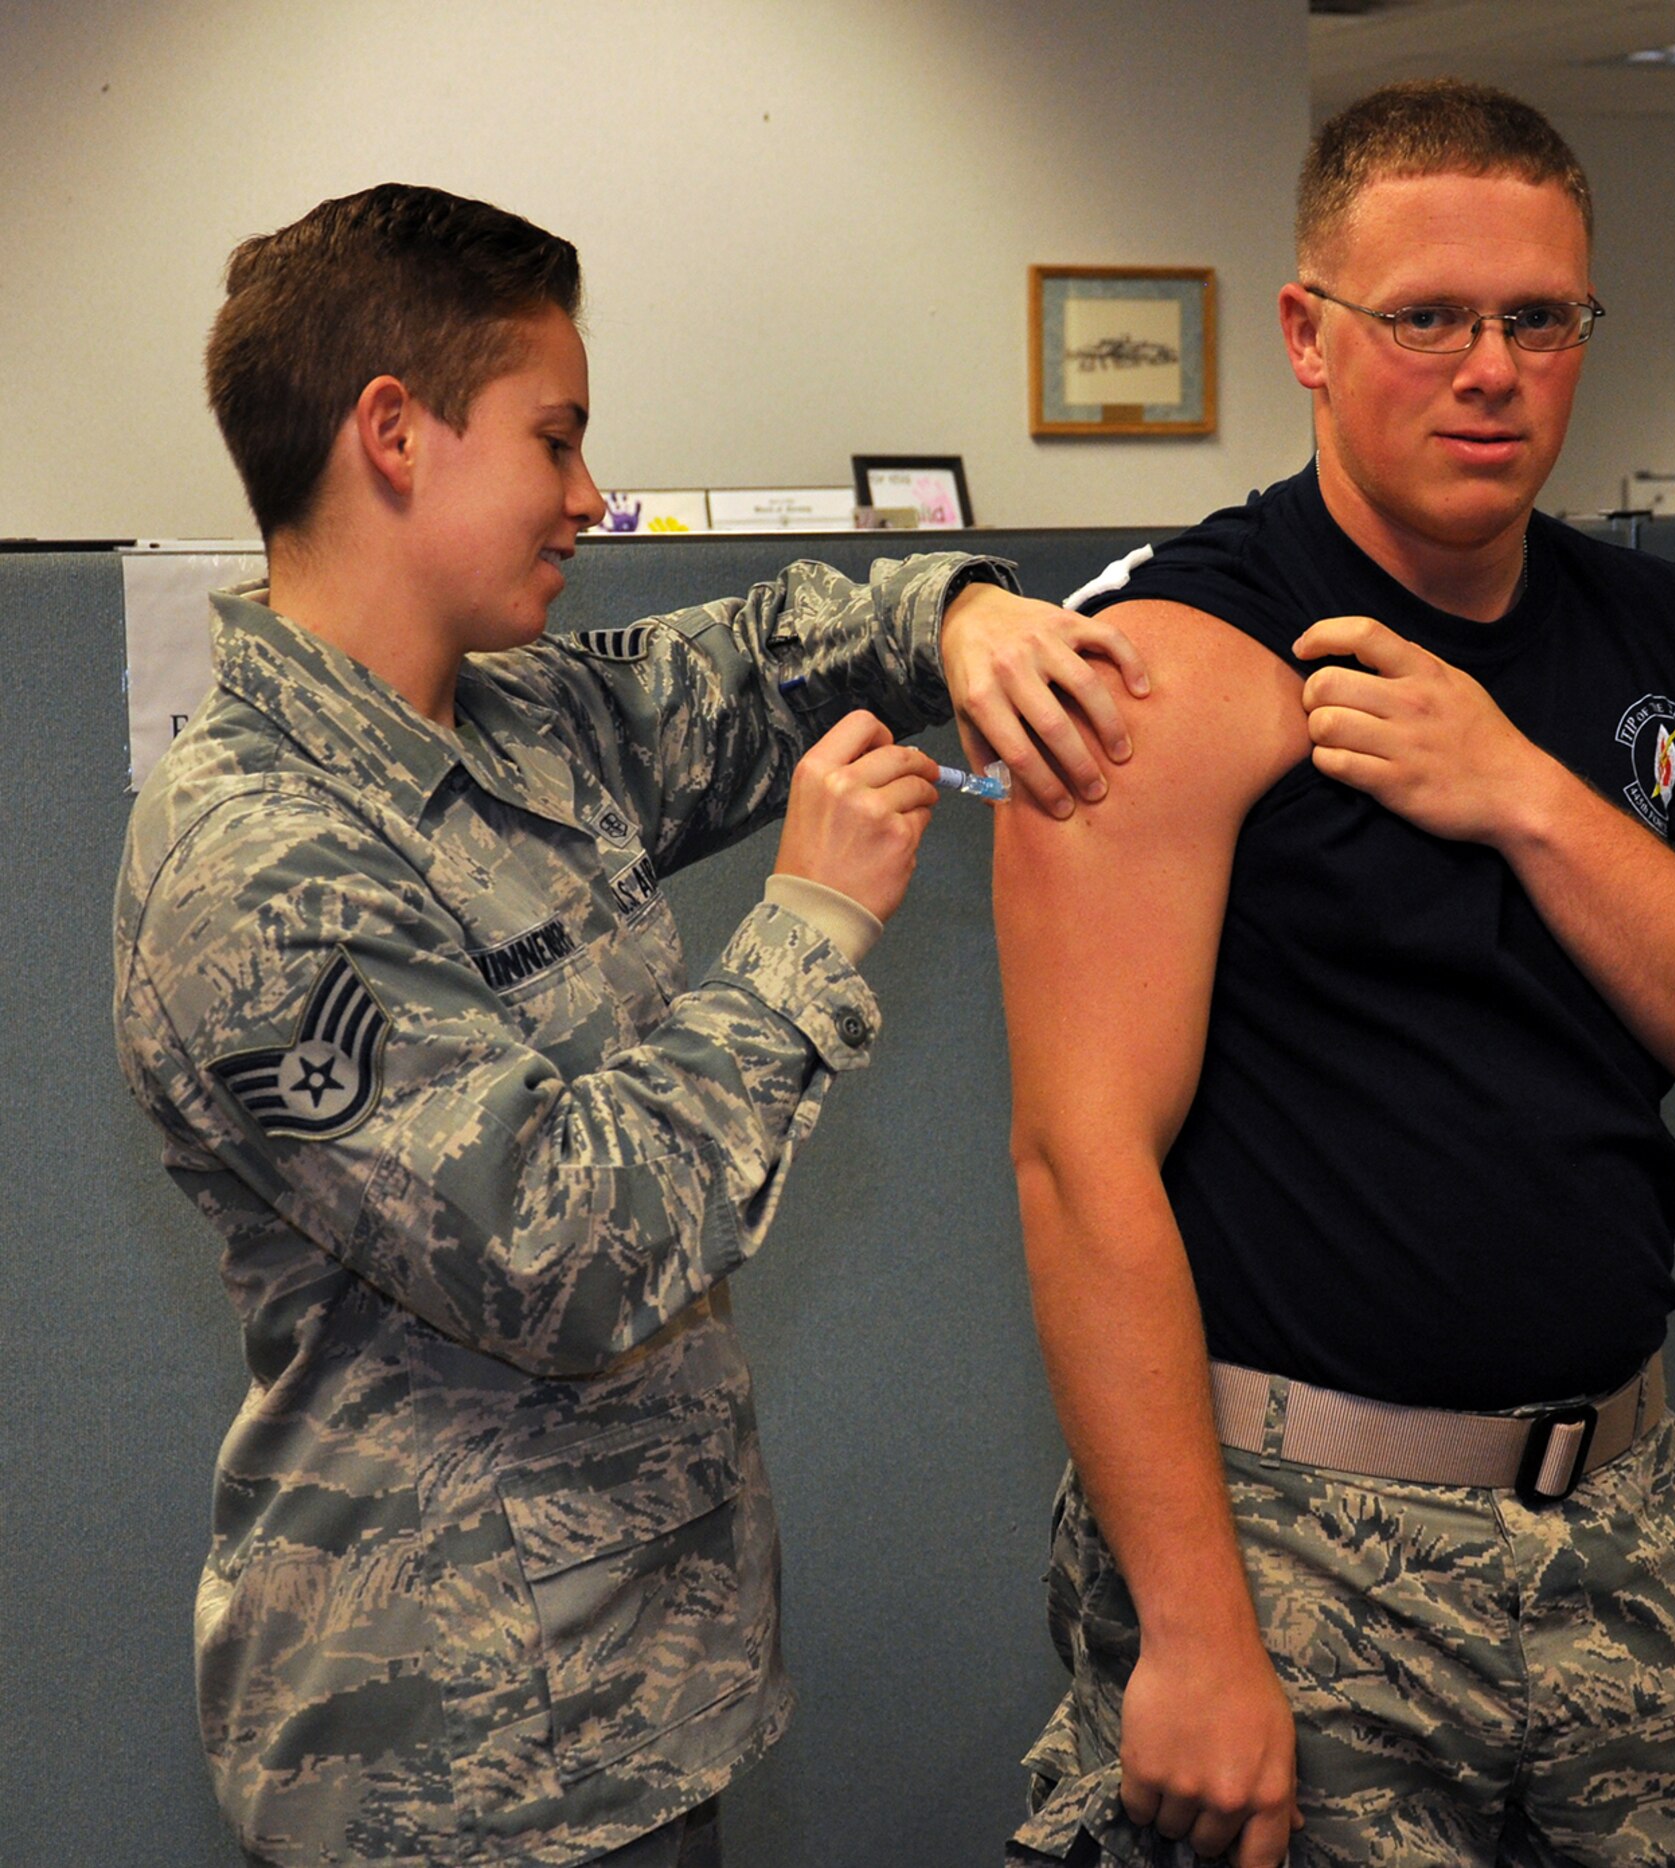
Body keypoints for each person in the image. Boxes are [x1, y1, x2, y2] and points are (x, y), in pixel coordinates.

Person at [112, 182, 1148, 1868]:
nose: (591, 496)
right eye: (557, 438)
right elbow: (560, 1248)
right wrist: (809, 927)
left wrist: (954, 615)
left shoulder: (519, 722)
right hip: (451, 1770)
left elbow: (761, 656)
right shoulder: (259, 860)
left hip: (636, 1704)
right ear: (395, 433)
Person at [997, 81, 1675, 1868]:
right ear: (1307, 336)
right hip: (1295, 1540)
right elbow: (1083, 1167)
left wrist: (1525, 797)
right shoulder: (1172, 656)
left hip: (1629, 1523)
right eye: (1429, 318)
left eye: (1541, 318)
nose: (1493, 370)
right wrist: (1194, 1634)